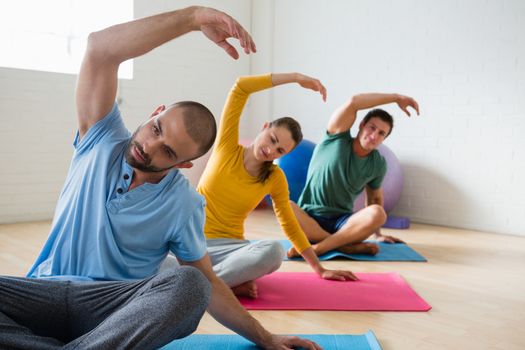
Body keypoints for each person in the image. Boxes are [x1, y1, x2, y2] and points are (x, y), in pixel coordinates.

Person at [0, 7, 323, 350]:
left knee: (190, 285)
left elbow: (207, 284)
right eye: (156, 129)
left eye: (168, 152)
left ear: (183, 165)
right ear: (156, 112)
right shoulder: (101, 137)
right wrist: (192, 18)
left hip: (112, 312)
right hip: (44, 293)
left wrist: (266, 337)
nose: (148, 146)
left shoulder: (183, 204)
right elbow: (100, 48)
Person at [196, 73, 357, 299]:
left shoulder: (274, 177)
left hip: (230, 248)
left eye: (280, 150)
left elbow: (289, 224)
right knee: (150, 256)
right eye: (272, 139)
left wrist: (319, 269)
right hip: (191, 239)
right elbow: (240, 87)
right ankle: (223, 283)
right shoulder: (227, 146)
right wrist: (295, 78)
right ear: (264, 127)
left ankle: (202, 284)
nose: (271, 150)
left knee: (274, 251)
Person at [288, 93, 420, 258]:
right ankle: (344, 247)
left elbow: (375, 200)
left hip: (342, 224)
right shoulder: (335, 138)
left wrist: (376, 234)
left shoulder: (377, 163)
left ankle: (320, 247)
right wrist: (395, 98)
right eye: (372, 127)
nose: (374, 136)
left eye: (381, 133)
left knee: (378, 213)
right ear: (362, 125)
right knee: (285, 206)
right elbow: (353, 102)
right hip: (309, 218)